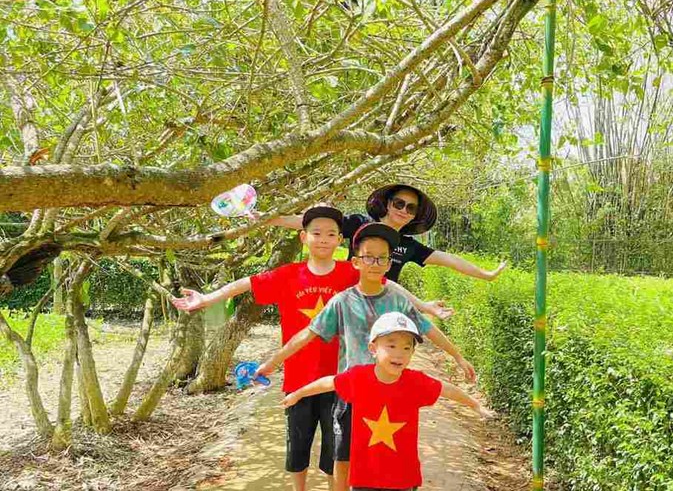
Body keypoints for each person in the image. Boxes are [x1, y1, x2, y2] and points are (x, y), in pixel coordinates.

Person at [171, 207, 450, 491]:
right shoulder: (288, 275)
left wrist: (424, 306)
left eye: (331, 234)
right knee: (298, 445)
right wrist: (207, 298)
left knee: (337, 448)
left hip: (340, 380)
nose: (323, 240)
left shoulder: (349, 272)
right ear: (303, 237)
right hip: (298, 375)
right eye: (316, 233)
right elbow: (247, 283)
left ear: (340, 240)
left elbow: (385, 283)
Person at [255, 222, 477, 491]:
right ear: (356, 262)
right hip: (352, 392)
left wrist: (458, 357)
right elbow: (307, 335)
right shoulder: (342, 301)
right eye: (368, 256)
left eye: (382, 257)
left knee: (388, 452)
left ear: (388, 263)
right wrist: (271, 363)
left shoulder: (397, 300)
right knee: (342, 455)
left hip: (389, 390)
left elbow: (427, 329)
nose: (375, 262)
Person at [281, 311, 493, 491]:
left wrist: (475, 405)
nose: (399, 354)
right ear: (373, 348)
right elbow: (329, 383)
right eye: (391, 345)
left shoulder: (416, 383)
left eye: (407, 347)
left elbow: (446, 390)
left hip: (403, 478)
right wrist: (298, 394)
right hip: (365, 476)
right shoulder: (358, 378)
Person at [267, 184, 507, 282]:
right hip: (348, 300)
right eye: (399, 203)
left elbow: (449, 259)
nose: (403, 210)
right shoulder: (359, 223)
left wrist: (485, 274)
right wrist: (269, 219)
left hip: (383, 309)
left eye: (411, 208)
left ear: (415, 216)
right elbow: (311, 223)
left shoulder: (409, 246)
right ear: (388, 203)